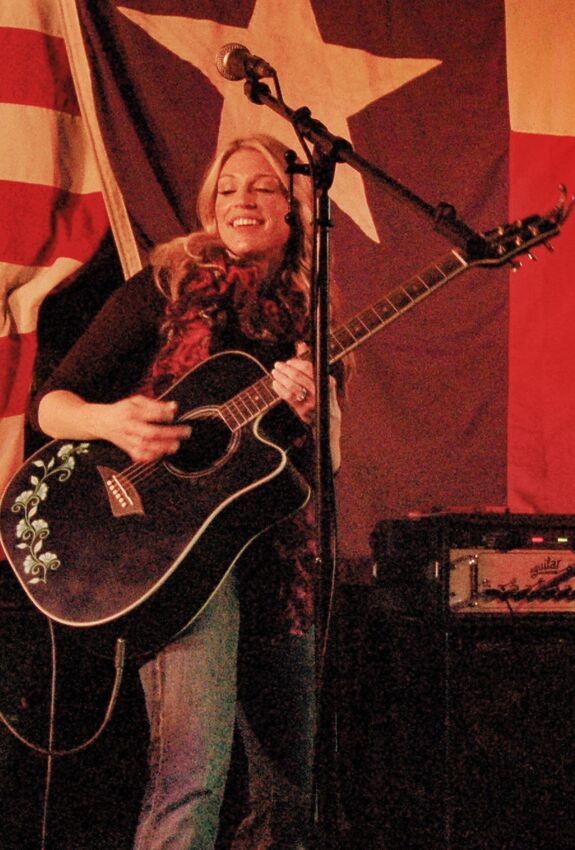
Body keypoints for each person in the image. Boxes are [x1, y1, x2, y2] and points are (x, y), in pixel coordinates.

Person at [29, 134, 342, 849]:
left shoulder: (311, 316)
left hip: (276, 561)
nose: (241, 200)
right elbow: (52, 404)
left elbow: (330, 461)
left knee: (288, 795)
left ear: (294, 210)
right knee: (191, 778)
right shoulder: (168, 284)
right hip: (175, 557)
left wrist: (315, 405)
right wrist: (112, 421)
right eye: (227, 188)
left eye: (262, 187)